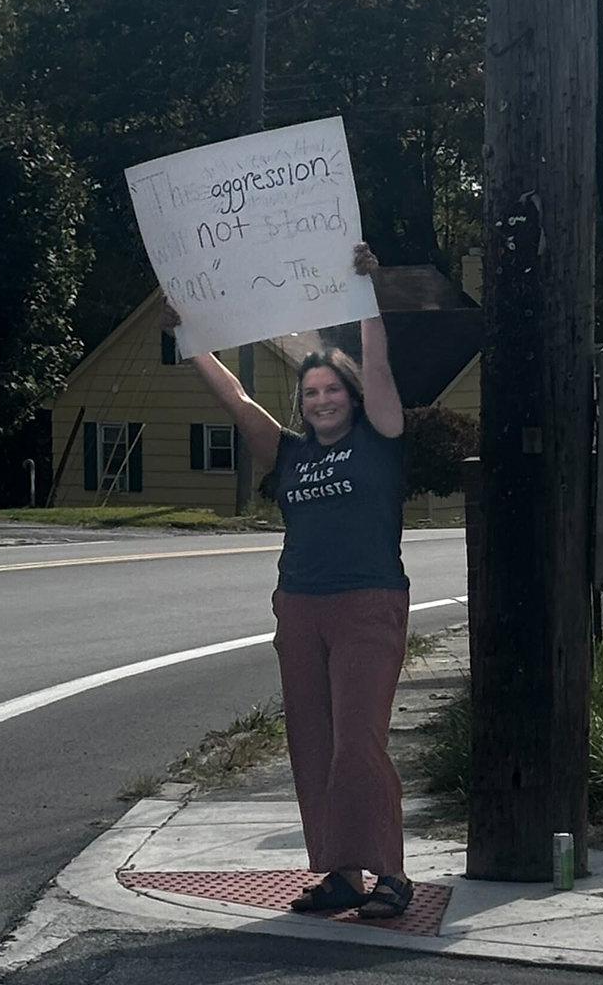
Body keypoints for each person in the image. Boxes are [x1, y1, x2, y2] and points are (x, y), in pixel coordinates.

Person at [162, 242, 415, 920]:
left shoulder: (379, 437)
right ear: (302, 404)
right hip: (299, 607)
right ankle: (339, 873)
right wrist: (190, 335)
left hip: (368, 604)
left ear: (351, 397)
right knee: (314, 741)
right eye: (311, 393)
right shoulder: (290, 452)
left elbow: (382, 365)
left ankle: (390, 875)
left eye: (333, 389)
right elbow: (234, 393)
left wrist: (367, 297)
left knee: (359, 740)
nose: (322, 399)